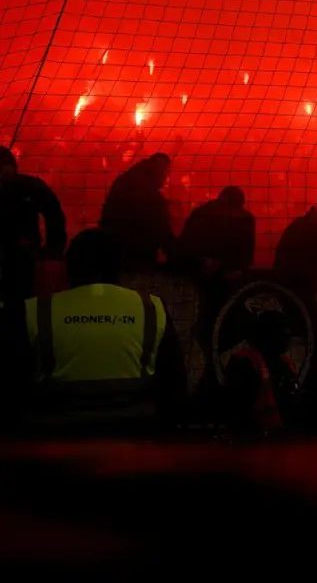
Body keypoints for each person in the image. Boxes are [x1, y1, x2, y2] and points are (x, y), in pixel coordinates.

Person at [22, 228, 185, 432]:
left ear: (70, 268)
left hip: (55, 439)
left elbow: (12, 386)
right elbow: (175, 386)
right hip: (136, 438)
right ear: (117, 268)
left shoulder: (35, 311)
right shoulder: (151, 308)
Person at [1, 145, 66, 309]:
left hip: (26, 257)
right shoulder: (31, 186)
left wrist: (52, 251)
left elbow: (55, 216)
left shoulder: (30, 187)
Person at [223, 309, 298, 433]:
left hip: (282, 438)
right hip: (252, 439)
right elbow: (237, 409)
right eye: (284, 335)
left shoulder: (284, 363)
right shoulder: (244, 362)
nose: (288, 341)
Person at [98, 152, 176, 271]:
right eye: (166, 172)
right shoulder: (151, 195)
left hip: (111, 249)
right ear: (161, 171)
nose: (166, 176)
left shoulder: (125, 181)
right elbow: (162, 229)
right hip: (137, 254)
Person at [178, 186, 256, 278]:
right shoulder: (245, 219)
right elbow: (247, 254)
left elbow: (183, 244)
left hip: (197, 270)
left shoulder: (201, 213)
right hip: (202, 269)